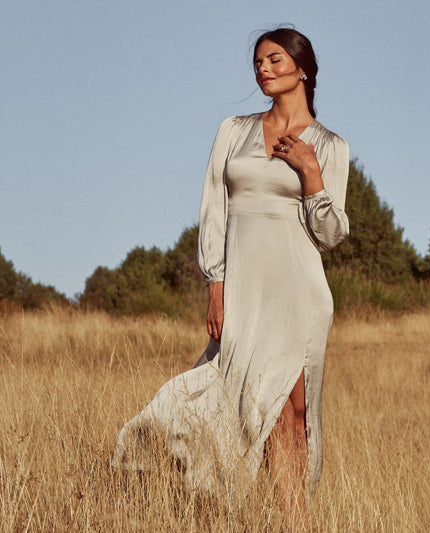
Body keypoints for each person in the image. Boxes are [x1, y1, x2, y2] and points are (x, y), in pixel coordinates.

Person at [112, 27, 349, 530]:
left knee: (293, 412)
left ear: (302, 68)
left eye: (275, 59)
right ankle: (183, 486)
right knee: (238, 400)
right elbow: (213, 213)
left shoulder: (329, 145)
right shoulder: (233, 130)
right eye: (258, 62)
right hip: (243, 289)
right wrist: (215, 286)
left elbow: (330, 234)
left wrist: (311, 174)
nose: (263, 68)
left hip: (299, 291)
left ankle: (294, 521)